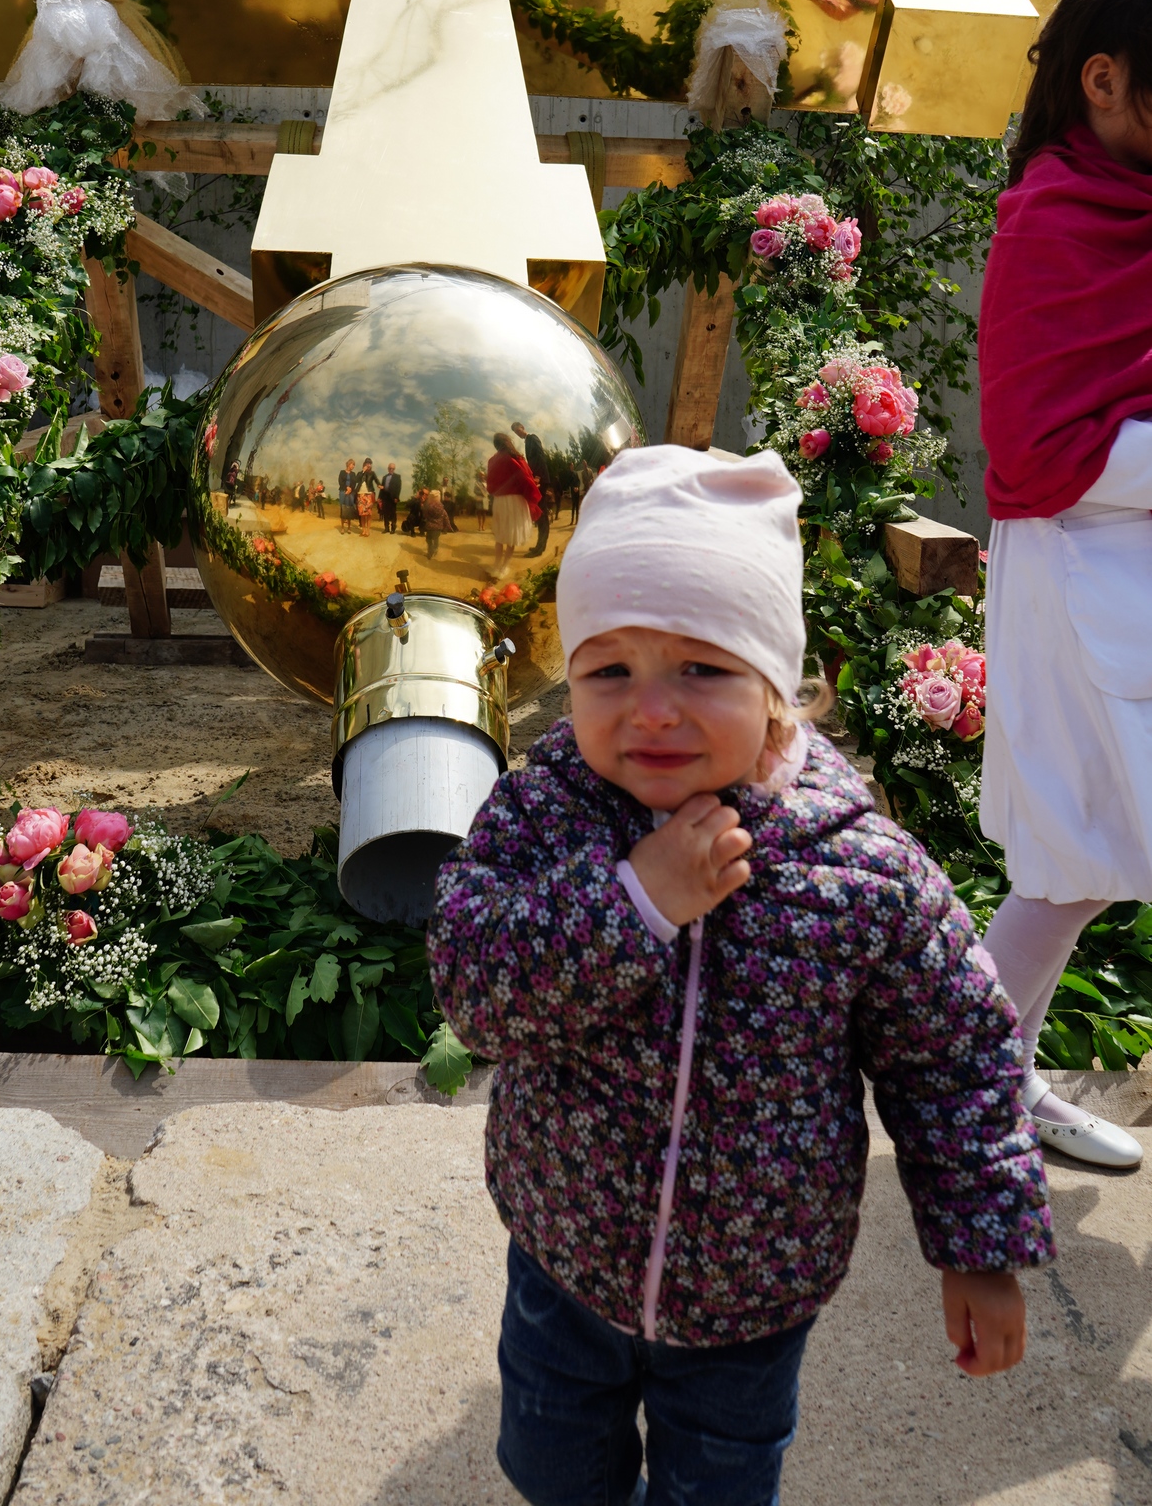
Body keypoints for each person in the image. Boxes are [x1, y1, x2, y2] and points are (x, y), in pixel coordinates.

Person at [429, 447, 1050, 1506]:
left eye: (701, 668)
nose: (651, 709)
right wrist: (630, 898)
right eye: (608, 669)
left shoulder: (856, 867)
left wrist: (978, 1246)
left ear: (777, 687)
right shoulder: (543, 813)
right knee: (549, 1466)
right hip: (564, 1255)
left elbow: (953, 1056)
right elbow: (474, 989)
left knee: (717, 1486)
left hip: (753, 1298)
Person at [976, 0, 1152, 1170]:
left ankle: (984, 1086)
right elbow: (1038, 453)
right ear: (1105, 80)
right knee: (1066, 862)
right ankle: (970, 1096)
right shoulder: (1052, 221)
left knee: (1077, 866)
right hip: (1083, 584)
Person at [486, 430, 541, 581]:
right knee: (511, 537)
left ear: (496, 445)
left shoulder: (492, 460)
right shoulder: (516, 457)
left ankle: (496, 566)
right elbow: (525, 477)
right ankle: (504, 567)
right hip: (515, 501)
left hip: (499, 501)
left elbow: (490, 484)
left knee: (500, 535)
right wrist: (534, 487)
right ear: (508, 442)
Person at [512, 420, 551, 556]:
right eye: (516, 433)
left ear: (523, 428)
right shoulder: (527, 442)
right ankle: (539, 546)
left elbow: (540, 456)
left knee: (542, 511)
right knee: (540, 510)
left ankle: (540, 547)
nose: (518, 434)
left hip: (540, 478)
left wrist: (538, 476)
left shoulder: (532, 438)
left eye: (518, 431)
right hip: (537, 477)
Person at [421, 485, 450, 562]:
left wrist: (422, 506)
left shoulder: (428, 507)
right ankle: (435, 548)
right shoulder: (442, 509)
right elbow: (446, 518)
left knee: (429, 539)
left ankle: (430, 552)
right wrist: (447, 527)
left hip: (430, 527)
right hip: (438, 527)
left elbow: (425, 515)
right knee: (436, 538)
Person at [355, 457, 378, 538]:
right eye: (367, 463)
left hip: (368, 494)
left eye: (370, 463)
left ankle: (368, 531)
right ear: (364, 464)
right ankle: (363, 530)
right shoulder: (360, 473)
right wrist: (363, 471)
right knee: (362, 514)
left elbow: (376, 480)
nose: (368, 465)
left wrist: (379, 485)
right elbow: (356, 480)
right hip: (360, 494)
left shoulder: (372, 473)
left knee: (368, 514)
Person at [379, 461, 402, 534]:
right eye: (390, 468)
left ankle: (393, 528)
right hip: (385, 497)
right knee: (385, 513)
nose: (391, 470)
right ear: (388, 469)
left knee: (393, 513)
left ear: (394, 469)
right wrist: (380, 497)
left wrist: (396, 497)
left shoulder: (397, 477)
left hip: (393, 498)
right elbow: (382, 488)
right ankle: (386, 528)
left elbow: (399, 488)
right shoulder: (384, 477)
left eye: (393, 468)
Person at [337, 458, 357, 535]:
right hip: (343, 492)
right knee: (343, 509)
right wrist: (346, 488)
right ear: (349, 464)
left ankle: (348, 528)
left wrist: (350, 489)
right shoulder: (342, 472)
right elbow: (340, 481)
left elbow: (354, 483)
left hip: (350, 493)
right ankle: (342, 527)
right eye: (353, 464)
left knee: (349, 510)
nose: (353, 466)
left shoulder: (353, 474)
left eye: (354, 465)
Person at [473, 465, 489, 532]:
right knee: (479, 512)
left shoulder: (486, 483)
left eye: (483, 475)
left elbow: (489, 490)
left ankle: (483, 525)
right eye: (480, 475)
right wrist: (480, 493)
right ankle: (479, 526)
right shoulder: (477, 483)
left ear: (484, 476)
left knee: (484, 513)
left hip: (485, 499)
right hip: (479, 498)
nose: (482, 476)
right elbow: (475, 491)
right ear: (479, 476)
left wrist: (486, 493)